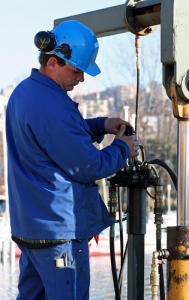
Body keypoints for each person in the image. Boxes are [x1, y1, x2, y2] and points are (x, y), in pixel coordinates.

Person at [6, 20, 139, 300]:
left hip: (31, 230)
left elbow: (53, 139)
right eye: (77, 70)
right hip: (59, 235)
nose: (81, 79)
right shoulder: (54, 108)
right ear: (53, 62)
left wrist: (101, 124)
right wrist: (124, 148)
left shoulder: (24, 93)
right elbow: (89, 165)